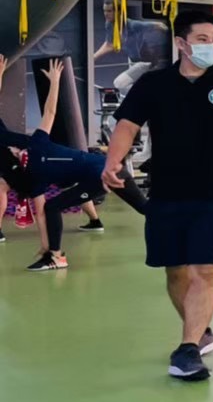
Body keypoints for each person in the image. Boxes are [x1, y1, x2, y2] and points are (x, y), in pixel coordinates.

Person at [103, 8, 213, 381]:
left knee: (205, 269)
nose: (211, 45)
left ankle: (187, 349)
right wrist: (113, 161)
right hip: (166, 193)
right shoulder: (154, 84)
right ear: (182, 44)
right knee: (175, 271)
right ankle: (198, 329)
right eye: (203, 40)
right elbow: (127, 125)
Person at [0, 57, 147, 271]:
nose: (12, 149)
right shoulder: (37, 151)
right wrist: (55, 80)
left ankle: (57, 257)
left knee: (144, 208)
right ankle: (55, 255)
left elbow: (50, 112)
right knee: (144, 208)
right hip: (107, 167)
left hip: (101, 172)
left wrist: (55, 80)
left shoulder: (36, 152)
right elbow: (50, 112)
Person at [95, 0, 171, 95]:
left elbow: (159, 25)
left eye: (109, 11)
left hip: (145, 61)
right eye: (104, 11)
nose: (106, 14)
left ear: (118, 12)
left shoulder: (133, 25)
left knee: (119, 84)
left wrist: (174, 37)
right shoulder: (109, 25)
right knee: (132, 86)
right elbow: (109, 44)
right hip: (132, 60)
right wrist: (93, 57)